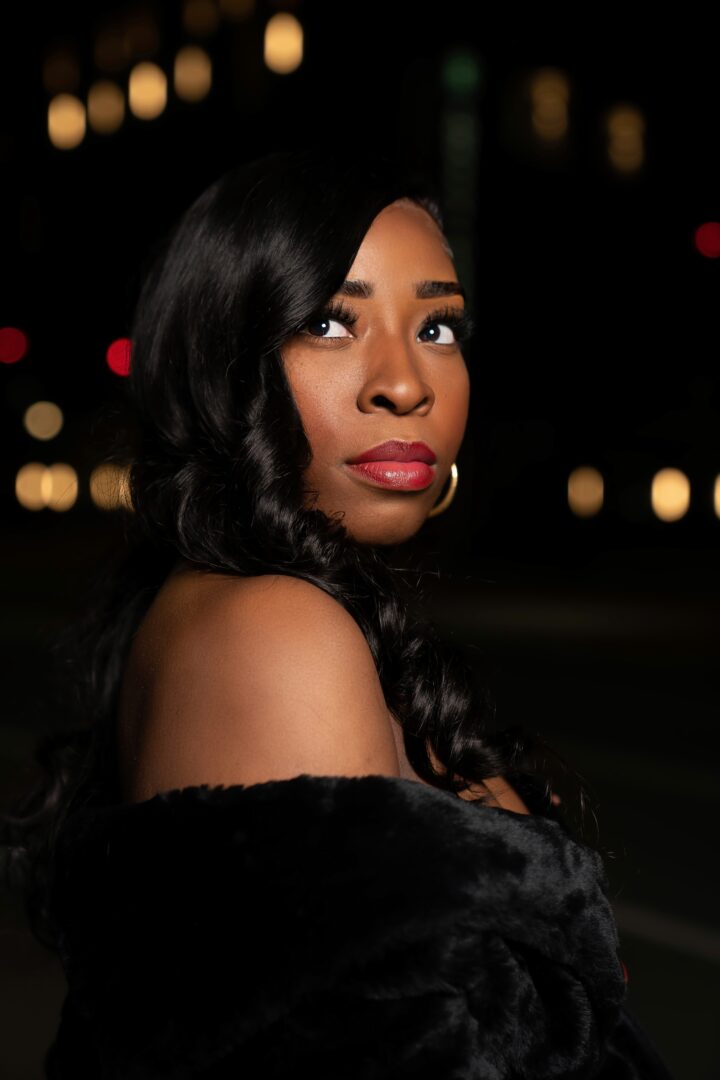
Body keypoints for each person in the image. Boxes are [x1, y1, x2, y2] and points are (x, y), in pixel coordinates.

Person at [1, 147, 674, 1078]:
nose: (405, 383)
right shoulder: (275, 630)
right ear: (226, 362)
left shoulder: (273, 609)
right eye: (329, 322)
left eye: (438, 327)